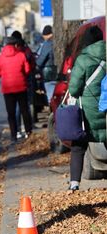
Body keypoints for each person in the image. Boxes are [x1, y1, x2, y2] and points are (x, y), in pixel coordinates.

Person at [68, 25, 106, 190]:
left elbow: (74, 89)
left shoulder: (83, 59)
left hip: (87, 112)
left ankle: (74, 183)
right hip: (105, 109)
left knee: (78, 146)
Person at [0, 36, 32, 142]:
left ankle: (13, 135)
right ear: (15, 45)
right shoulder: (21, 55)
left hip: (8, 88)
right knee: (24, 110)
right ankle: (28, 132)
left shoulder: (1, 58)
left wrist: (4, 73)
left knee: (11, 113)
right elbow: (27, 69)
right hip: (21, 86)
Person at [11, 30, 35, 138]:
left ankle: (17, 130)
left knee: (15, 108)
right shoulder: (26, 50)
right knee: (25, 107)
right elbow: (31, 66)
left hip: (11, 84)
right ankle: (27, 130)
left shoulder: (10, 52)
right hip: (26, 81)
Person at [36, 25, 56, 104]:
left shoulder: (47, 44)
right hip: (57, 71)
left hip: (49, 73)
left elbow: (41, 60)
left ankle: (53, 112)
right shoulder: (55, 41)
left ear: (45, 35)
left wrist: (36, 64)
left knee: (50, 95)